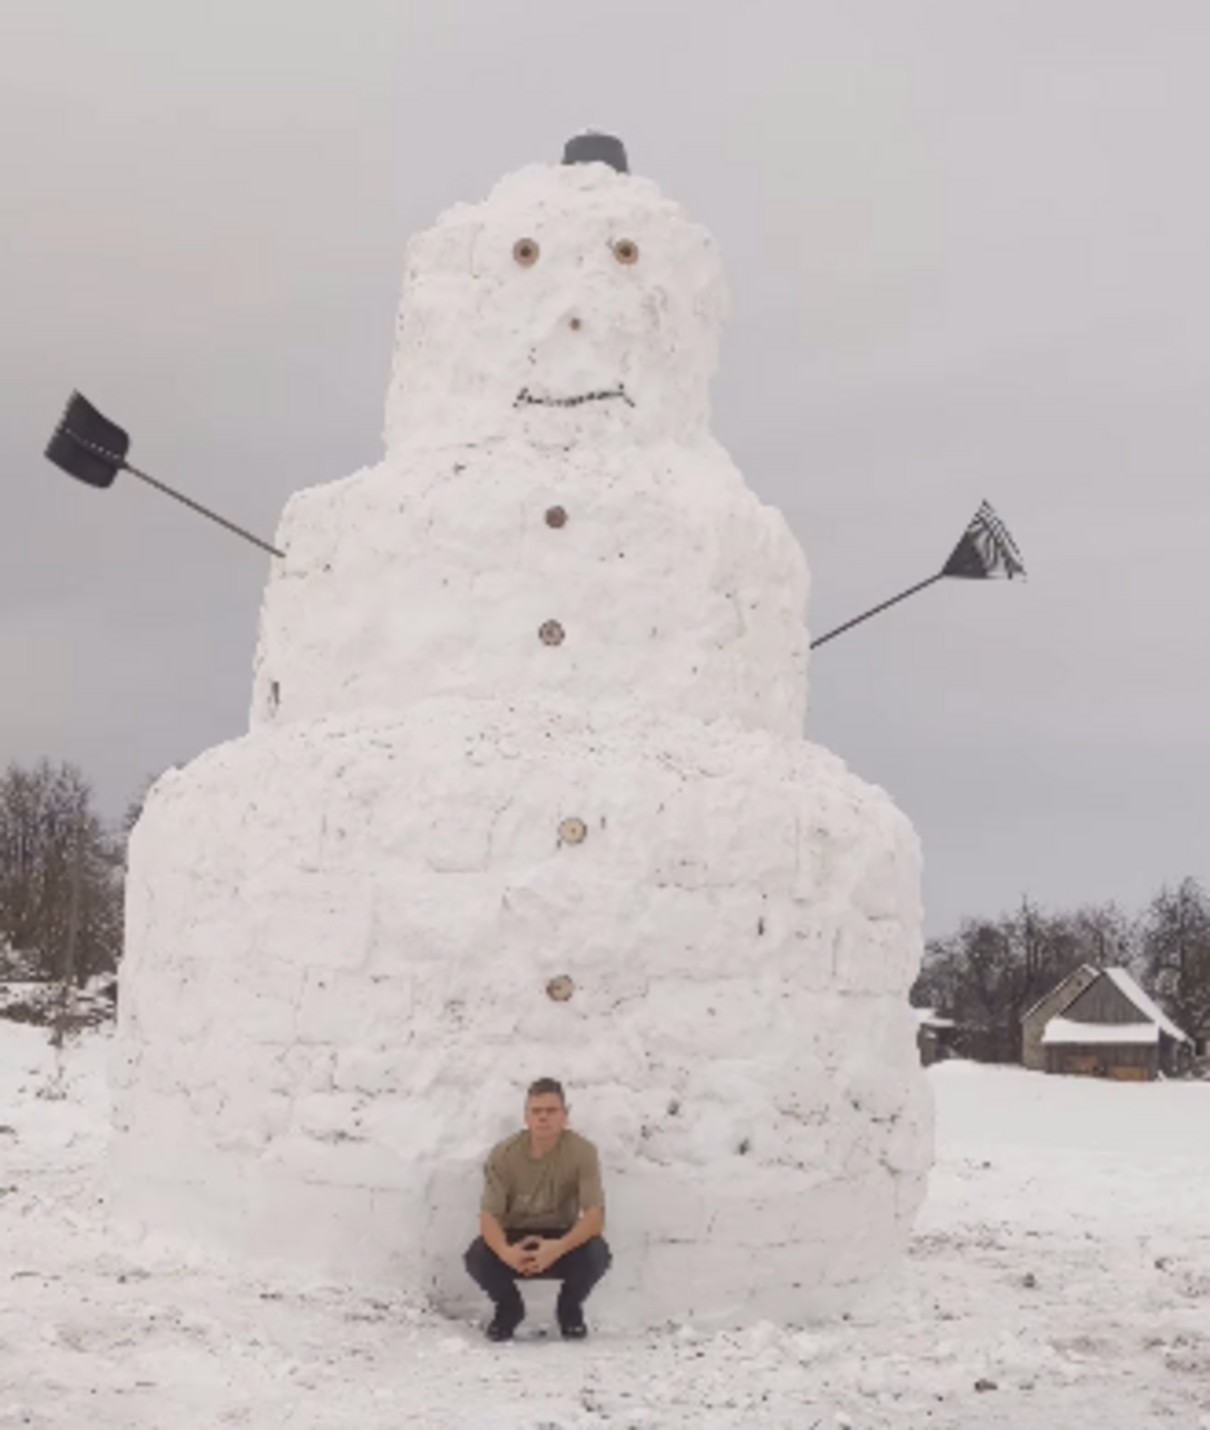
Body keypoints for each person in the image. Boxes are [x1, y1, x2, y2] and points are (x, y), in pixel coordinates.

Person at [463, 1077, 611, 1341]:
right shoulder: (504, 1154)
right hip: (516, 1238)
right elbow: (488, 1217)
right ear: (526, 1117)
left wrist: (557, 1247)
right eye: (537, 1111)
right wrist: (506, 1252)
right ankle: (509, 1308)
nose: (544, 1118)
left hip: (560, 1241)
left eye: (551, 1111)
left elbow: (595, 1216)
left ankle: (569, 1309)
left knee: (597, 1252)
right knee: (478, 1256)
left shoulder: (582, 1152)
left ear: (565, 1116)